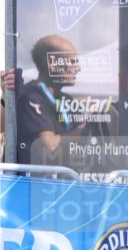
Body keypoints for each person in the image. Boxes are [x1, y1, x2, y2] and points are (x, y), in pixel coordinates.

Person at [13, 35, 85, 164]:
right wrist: (86, 126)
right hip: (37, 176)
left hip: (65, 175)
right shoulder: (29, 96)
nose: (78, 69)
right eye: (73, 62)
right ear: (52, 63)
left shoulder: (67, 100)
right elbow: (51, 147)